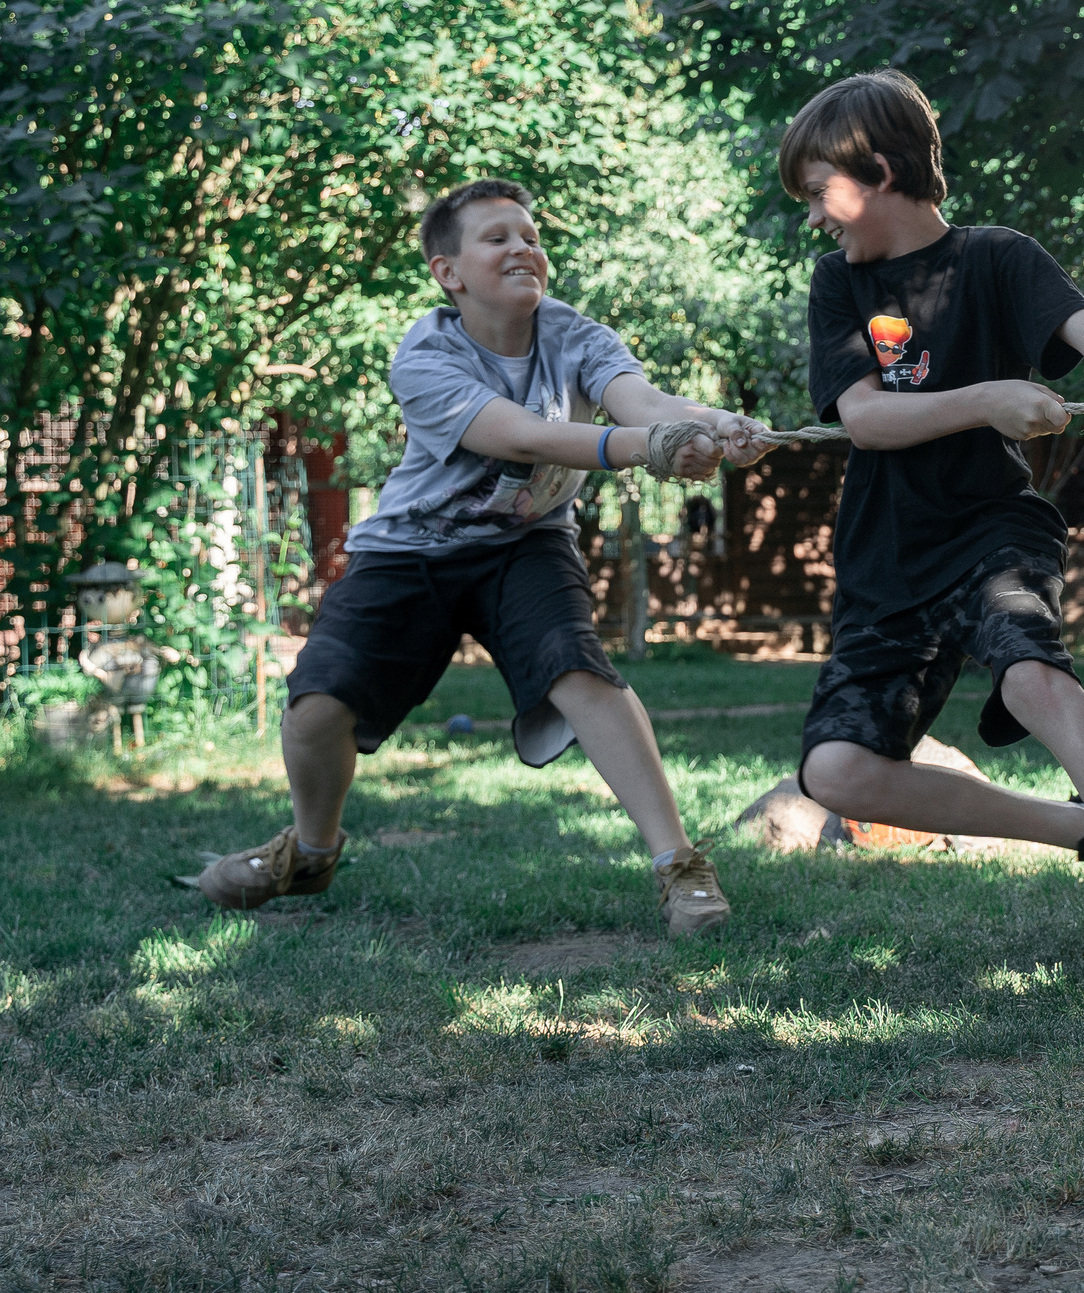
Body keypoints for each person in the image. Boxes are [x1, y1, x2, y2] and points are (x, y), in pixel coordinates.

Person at [784, 69, 1084, 997]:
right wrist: (989, 398)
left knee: (1034, 676)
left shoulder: (997, 257)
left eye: (818, 192)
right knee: (835, 770)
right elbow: (867, 418)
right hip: (885, 556)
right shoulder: (837, 285)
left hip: (992, 528)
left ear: (877, 169)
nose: (814, 217)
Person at [195, 179, 773, 936]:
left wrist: (715, 424)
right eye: (497, 237)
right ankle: (311, 849)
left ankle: (680, 867)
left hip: (525, 547)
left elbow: (643, 402)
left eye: (530, 235)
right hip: (409, 550)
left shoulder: (578, 336)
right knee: (316, 707)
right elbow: (522, 436)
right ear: (450, 272)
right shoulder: (425, 355)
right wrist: (647, 450)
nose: (522, 247)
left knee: (578, 669)